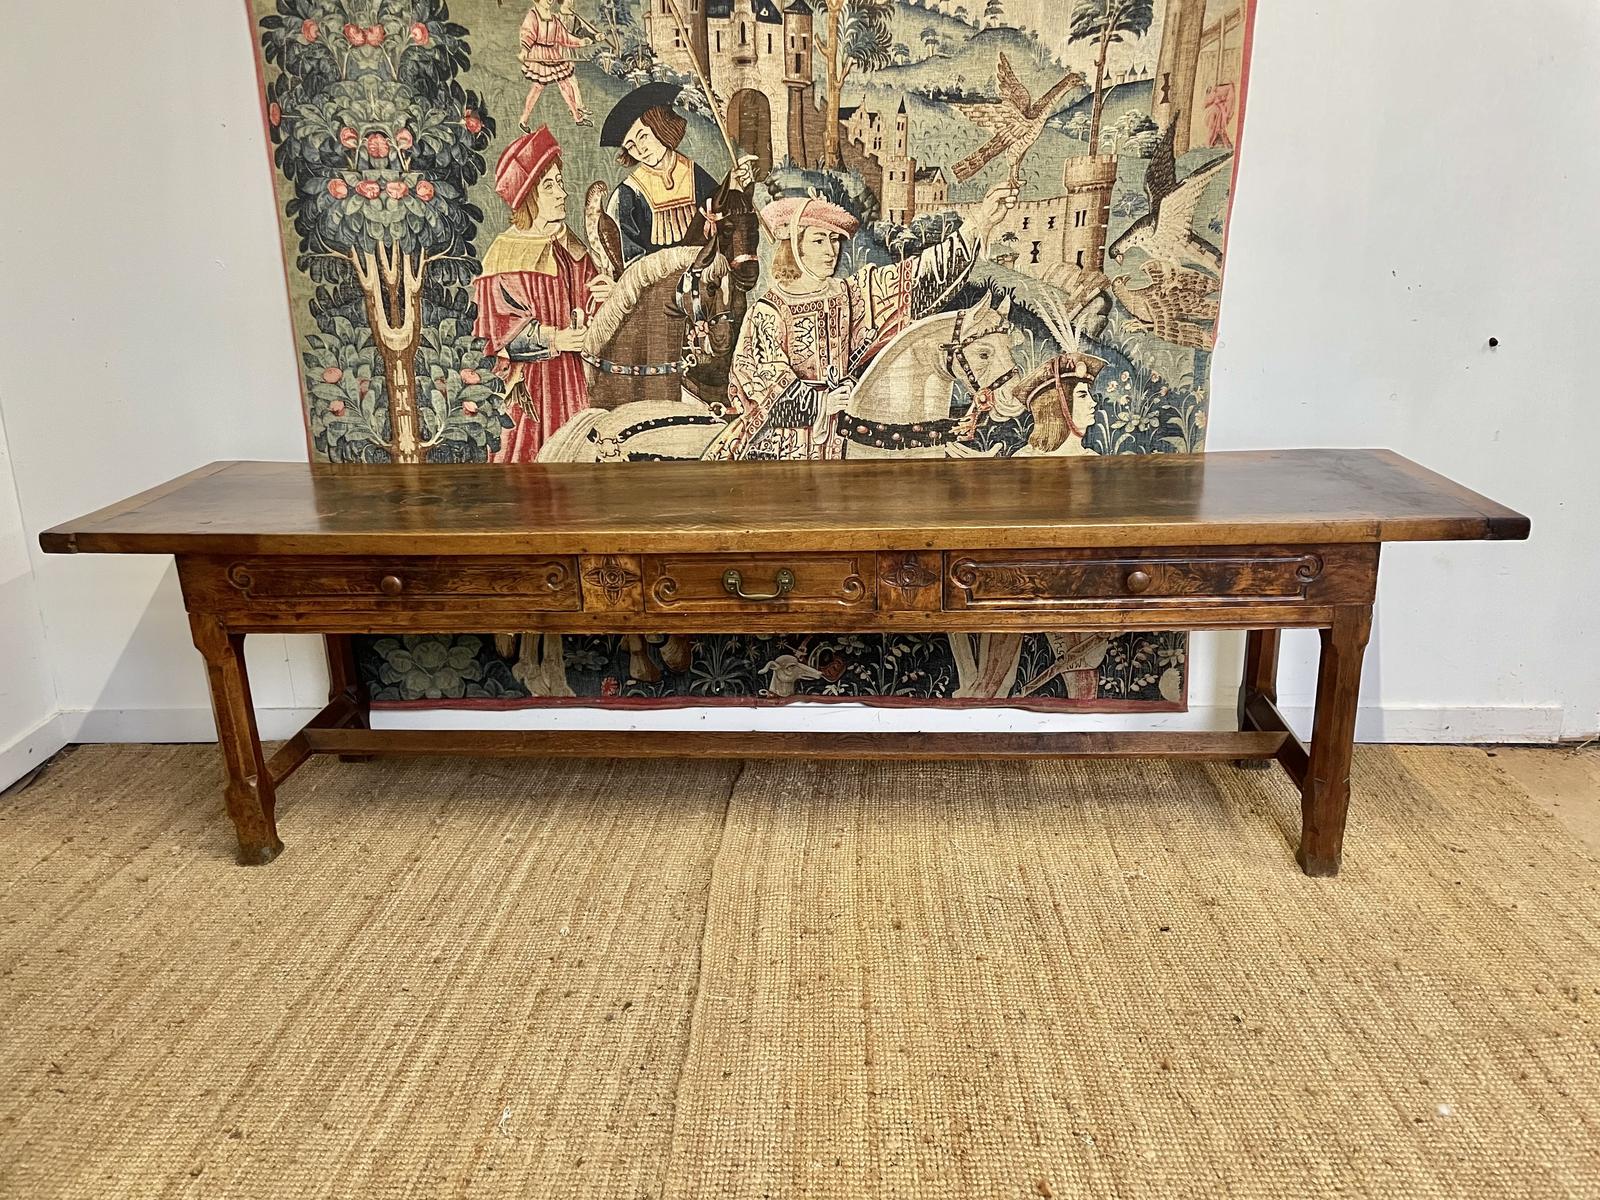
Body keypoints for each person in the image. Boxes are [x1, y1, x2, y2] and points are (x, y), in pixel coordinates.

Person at [705, 182, 1018, 461]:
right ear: (794, 246)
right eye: (818, 241)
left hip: (841, 434)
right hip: (783, 443)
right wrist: (820, 404)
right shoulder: (768, 311)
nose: (831, 251)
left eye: (835, 240)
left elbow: (915, 278)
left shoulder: (850, 294)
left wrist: (979, 223)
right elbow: (761, 384)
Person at [472, 126, 613, 463]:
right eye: (549, 186)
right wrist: (556, 340)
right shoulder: (505, 254)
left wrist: (606, 297)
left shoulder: (570, 246)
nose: (562, 193)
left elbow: (588, 310)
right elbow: (496, 335)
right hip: (530, 390)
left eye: (560, 184)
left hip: (573, 382)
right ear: (528, 197)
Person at [599, 83, 750, 267]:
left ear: (660, 126)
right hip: (654, 286)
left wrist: (732, 187)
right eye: (630, 146)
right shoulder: (628, 192)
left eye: (643, 136)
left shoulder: (692, 173)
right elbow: (631, 261)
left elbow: (718, 216)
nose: (640, 149)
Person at [518, 0, 592, 130]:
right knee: (537, 87)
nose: (550, 0)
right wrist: (524, 51)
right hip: (539, 54)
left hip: (553, 54)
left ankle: (577, 117)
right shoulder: (533, 16)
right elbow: (527, 34)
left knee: (565, 84)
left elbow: (564, 37)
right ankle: (523, 120)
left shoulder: (554, 19)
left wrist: (581, 42)